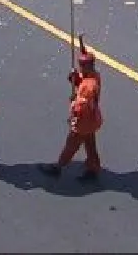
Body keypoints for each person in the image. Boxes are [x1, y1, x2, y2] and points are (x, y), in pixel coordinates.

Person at [40, 36, 103, 181]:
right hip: (93, 119)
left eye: (82, 66)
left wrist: (74, 103)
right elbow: (85, 60)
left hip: (83, 121)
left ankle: (58, 166)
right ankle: (93, 168)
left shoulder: (88, 86)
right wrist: (81, 44)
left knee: (71, 144)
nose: (80, 68)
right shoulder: (94, 75)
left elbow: (82, 106)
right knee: (90, 144)